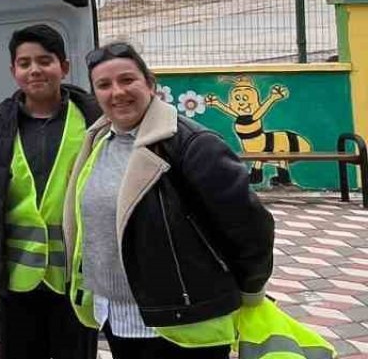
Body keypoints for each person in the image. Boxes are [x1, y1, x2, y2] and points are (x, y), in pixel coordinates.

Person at [64, 42, 274, 359]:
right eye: (104, 85)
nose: (117, 92)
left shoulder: (192, 144)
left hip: (185, 321)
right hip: (118, 316)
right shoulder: (98, 141)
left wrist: (250, 291)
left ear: (150, 84)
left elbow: (251, 228)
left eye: (127, 80)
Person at [0, 24, 101, 359]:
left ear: (64, 67)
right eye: (25, 63)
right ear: (13, 71)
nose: (34, 70)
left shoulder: (94, 121)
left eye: (45, 61)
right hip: (16, 280)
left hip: (77, 280)